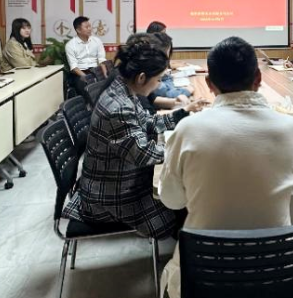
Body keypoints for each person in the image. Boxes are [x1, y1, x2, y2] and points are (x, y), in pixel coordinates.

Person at [159, 36, 293, 298]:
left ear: (209, 83)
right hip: (276, 276)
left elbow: (172, 200)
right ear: (258, 78)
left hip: (204, 277)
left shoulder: (187, 130)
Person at [64, 34, 205, 237]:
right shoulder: (119, 107)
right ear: (141, 78)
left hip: (116, 182)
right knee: (182, 207)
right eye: (158, 80)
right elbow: (144, 154)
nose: (158, 85)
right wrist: (189, 148)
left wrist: (181, 114)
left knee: (180, 193)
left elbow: (146, 122)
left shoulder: (123, 89)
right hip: (111, 197)